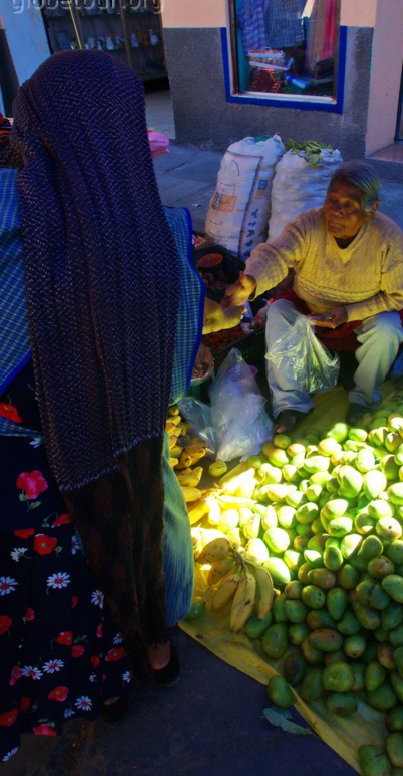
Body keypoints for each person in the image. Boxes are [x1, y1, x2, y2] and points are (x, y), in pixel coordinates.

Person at [0, 49, 241, 761]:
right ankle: (148, 659)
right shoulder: (156, 233)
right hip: (127, 442)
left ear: (30, 132)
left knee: (52, 597)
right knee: (131, 547)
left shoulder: (15, 219)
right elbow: (173, 361)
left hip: (29, 478)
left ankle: (65, 702)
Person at [222, 160, 403, 432]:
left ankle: (363, 397)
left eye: (349, 206)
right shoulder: (309, 225)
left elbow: (397, 297)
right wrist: (251, 281)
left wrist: (348, 313)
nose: (336, 212)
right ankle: (290, 404)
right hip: (311, 308)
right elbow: (276, 254)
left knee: (388, 328)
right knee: (277, 313)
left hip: (363, 314)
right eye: (332, 200)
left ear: (372, 209)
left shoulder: (389, 239)